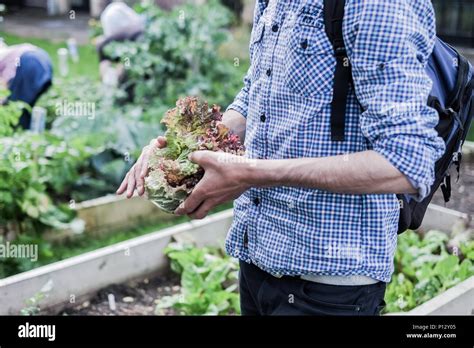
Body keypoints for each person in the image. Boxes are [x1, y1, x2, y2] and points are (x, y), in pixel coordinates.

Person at [117, 0, 445, 315]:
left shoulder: (377, 4)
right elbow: (257, 93)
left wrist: (251, 173)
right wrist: (184, 149)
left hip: (329, 282)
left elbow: (406, 161)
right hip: (257, 256)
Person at [0, 41, 52, 129]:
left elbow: (4, 86)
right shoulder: (10, 51)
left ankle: (20, 133)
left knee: (16, 105)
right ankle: (31, 131)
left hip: (28, 62)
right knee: (27, 103)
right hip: (43, 59)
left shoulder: (4, 59)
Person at [95, 2, 145, 86]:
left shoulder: (139, 40)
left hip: (132, 43)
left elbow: (127, 65)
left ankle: (118, 82)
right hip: (133, 38)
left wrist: (121, 70)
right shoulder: (118, 6)